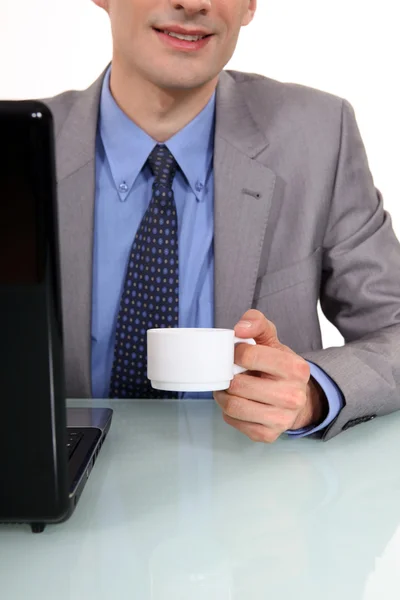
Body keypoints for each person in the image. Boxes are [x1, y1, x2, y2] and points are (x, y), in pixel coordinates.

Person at [42, 0, 400, 443]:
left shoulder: (320, 135)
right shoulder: (18, 150)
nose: (193, 3)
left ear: (250, 5)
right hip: (59, 486)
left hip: (259, 489)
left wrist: (315, 390)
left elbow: (395, 327)